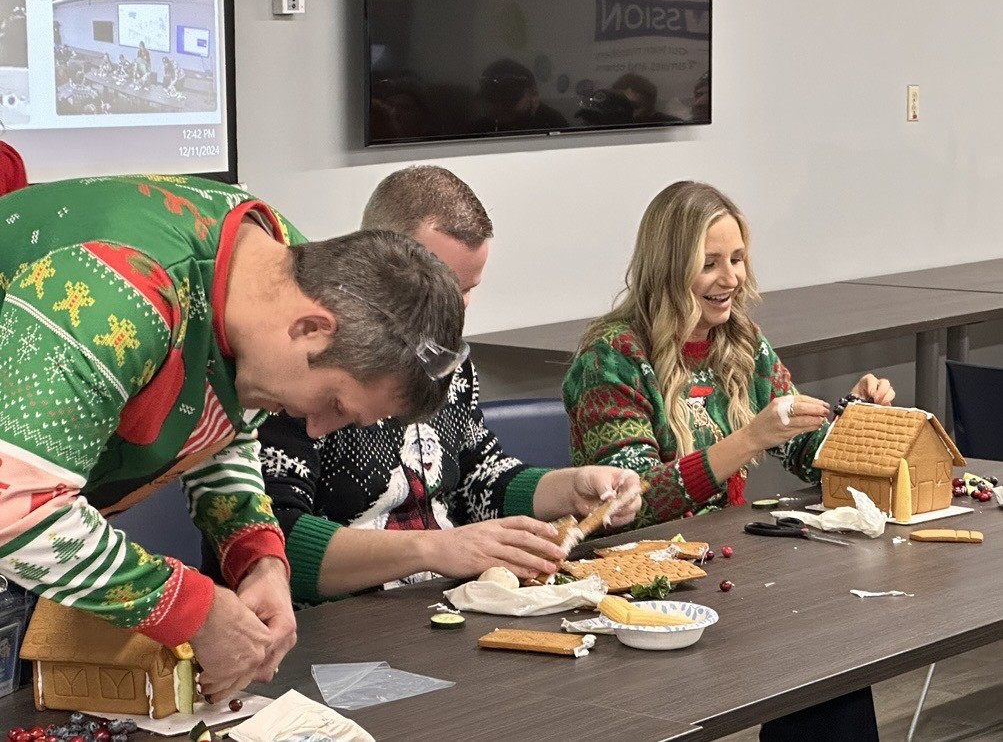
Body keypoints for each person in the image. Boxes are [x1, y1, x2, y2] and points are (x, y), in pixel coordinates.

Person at [0, 173, 466, 700]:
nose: (315, 429)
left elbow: (221, 421)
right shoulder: (121, 290)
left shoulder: (280, 268)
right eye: (334, 403)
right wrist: (190, 608)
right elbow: (14, 507)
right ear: (311, 328)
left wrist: (259, 559)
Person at [562, 180, 889, 740]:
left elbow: (809, 453)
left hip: (726, 569)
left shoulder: (742, 342)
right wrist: (747, 439)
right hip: (644, 594)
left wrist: (856, 419)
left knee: (830, 669)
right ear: (667, 268)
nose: (732, 278)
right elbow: (630, 503)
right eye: (709, 263)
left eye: (737, 259)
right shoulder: (612, 358)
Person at [235, 166, 642, 603]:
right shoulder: (304, 374)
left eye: (468, 289)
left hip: (443, 607)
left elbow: (479, 475)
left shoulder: (450, 364)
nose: (457, 309)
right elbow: (272, 537)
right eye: (443, 285)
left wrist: (573, 487)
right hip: (336, 624)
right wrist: (432, 549)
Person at [470, 58, 567, 134]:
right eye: (491, 99)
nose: (499, 107)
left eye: (510, 100)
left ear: (534, 94)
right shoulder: (480, 128)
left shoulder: (553, 123)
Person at [611, 73, 684, 124]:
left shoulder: (673, 125)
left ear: (649, 107)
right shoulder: (607, 123)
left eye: (633, 106)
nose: (626, 110)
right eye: (622, 104)